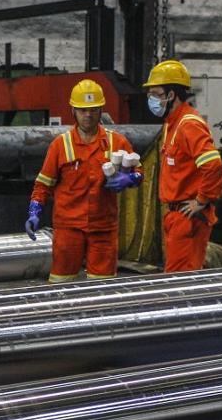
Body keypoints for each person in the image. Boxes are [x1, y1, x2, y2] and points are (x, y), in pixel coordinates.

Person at [26, 79, 143, 282]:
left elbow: (140, 173)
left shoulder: (117, 141)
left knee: (102, 289)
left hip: (103, 229)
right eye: (82, 110)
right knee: (61, 285)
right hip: (68, 228)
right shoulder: (60, 145)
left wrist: (129, 178)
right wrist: (34, 212)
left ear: (101, 110)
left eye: (93, 110)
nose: (88, 115)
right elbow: (43, 185)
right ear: (73, 111)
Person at [142, 59, 222, 272]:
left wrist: (202, 200)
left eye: (156, 94)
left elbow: (214, 166)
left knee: (179, 282)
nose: (151, 99)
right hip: (177, 216)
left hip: (187, 217)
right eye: (150, 94)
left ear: (172, 95)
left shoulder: (188, 124)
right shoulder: (172, 124)